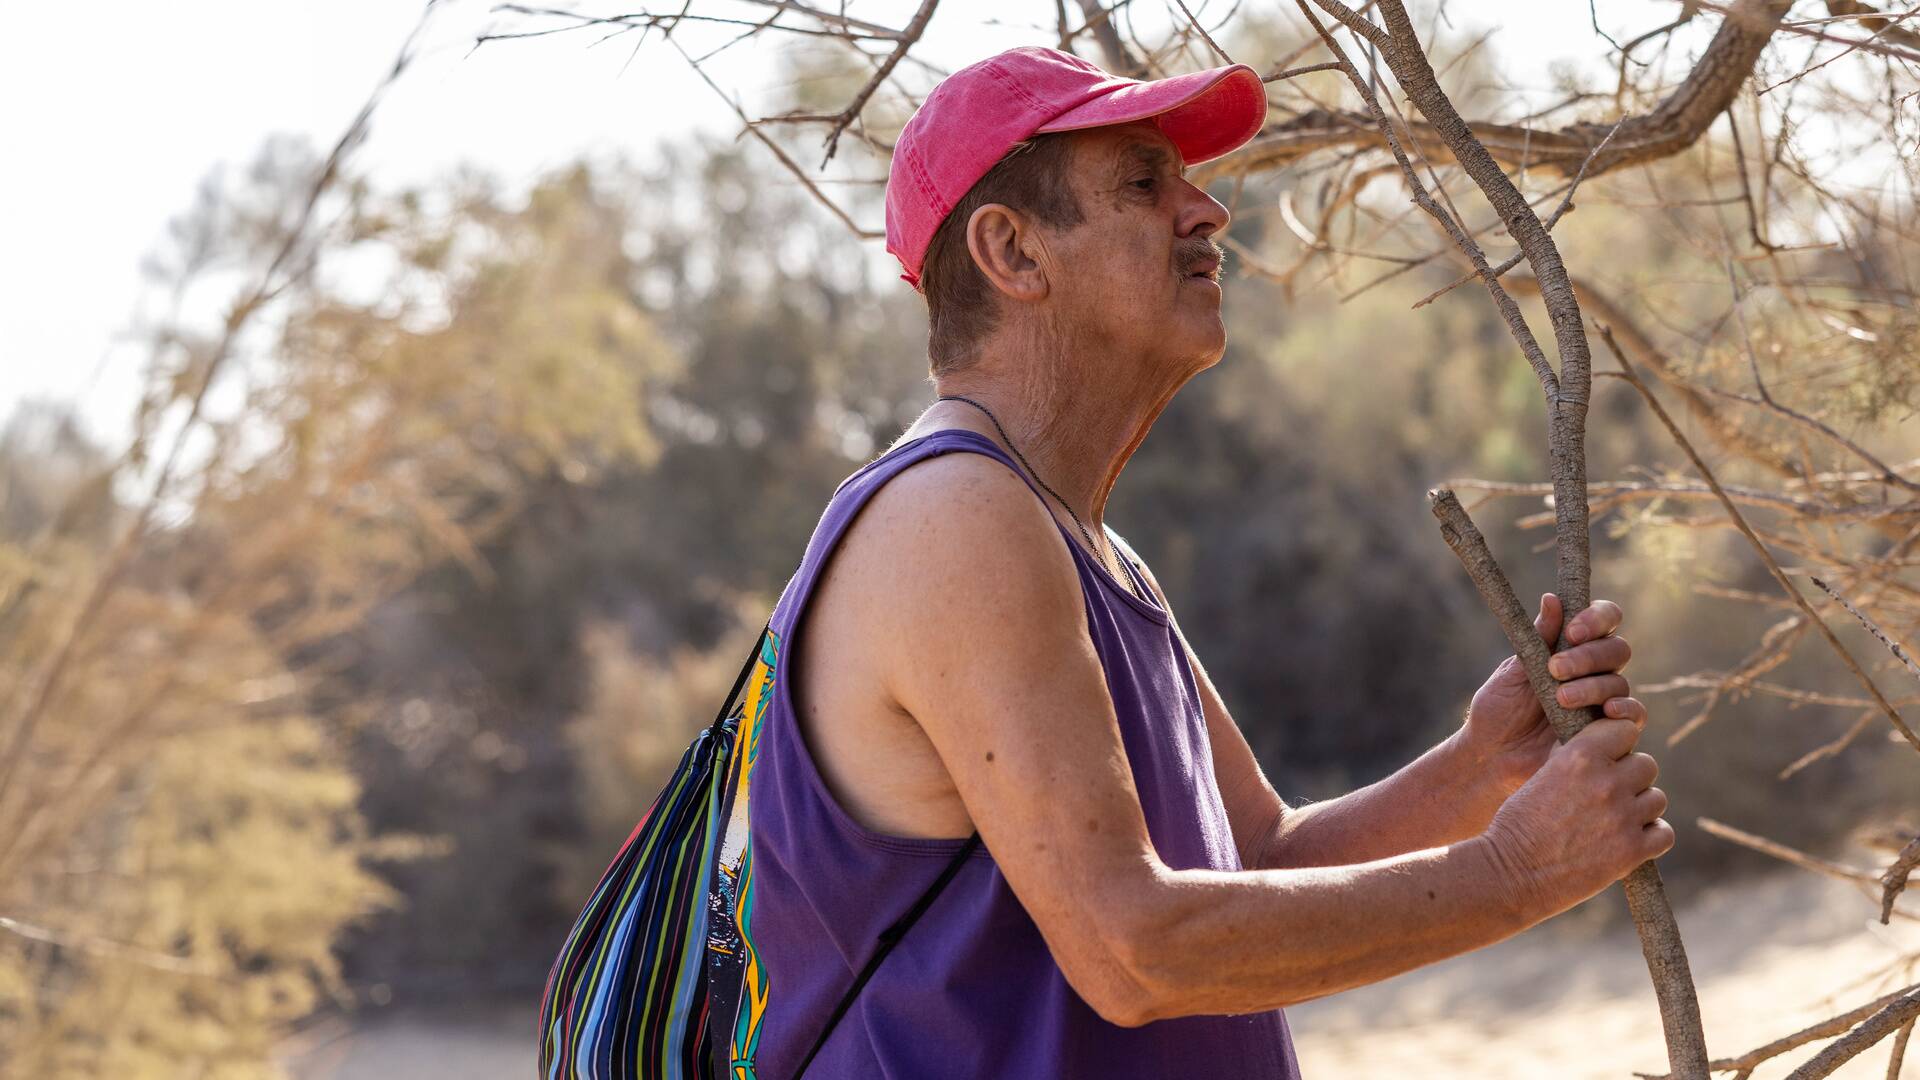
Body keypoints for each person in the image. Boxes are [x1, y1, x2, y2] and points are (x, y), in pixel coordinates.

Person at [724, 46, 1670, 1078]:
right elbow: (1135, 951)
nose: (1207, 210)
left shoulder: (1081, 542)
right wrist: (1520, 869)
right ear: (1014, 252)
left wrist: (1481, 769)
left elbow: (1255, 860)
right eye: (1143, 181)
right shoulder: (954, 517)